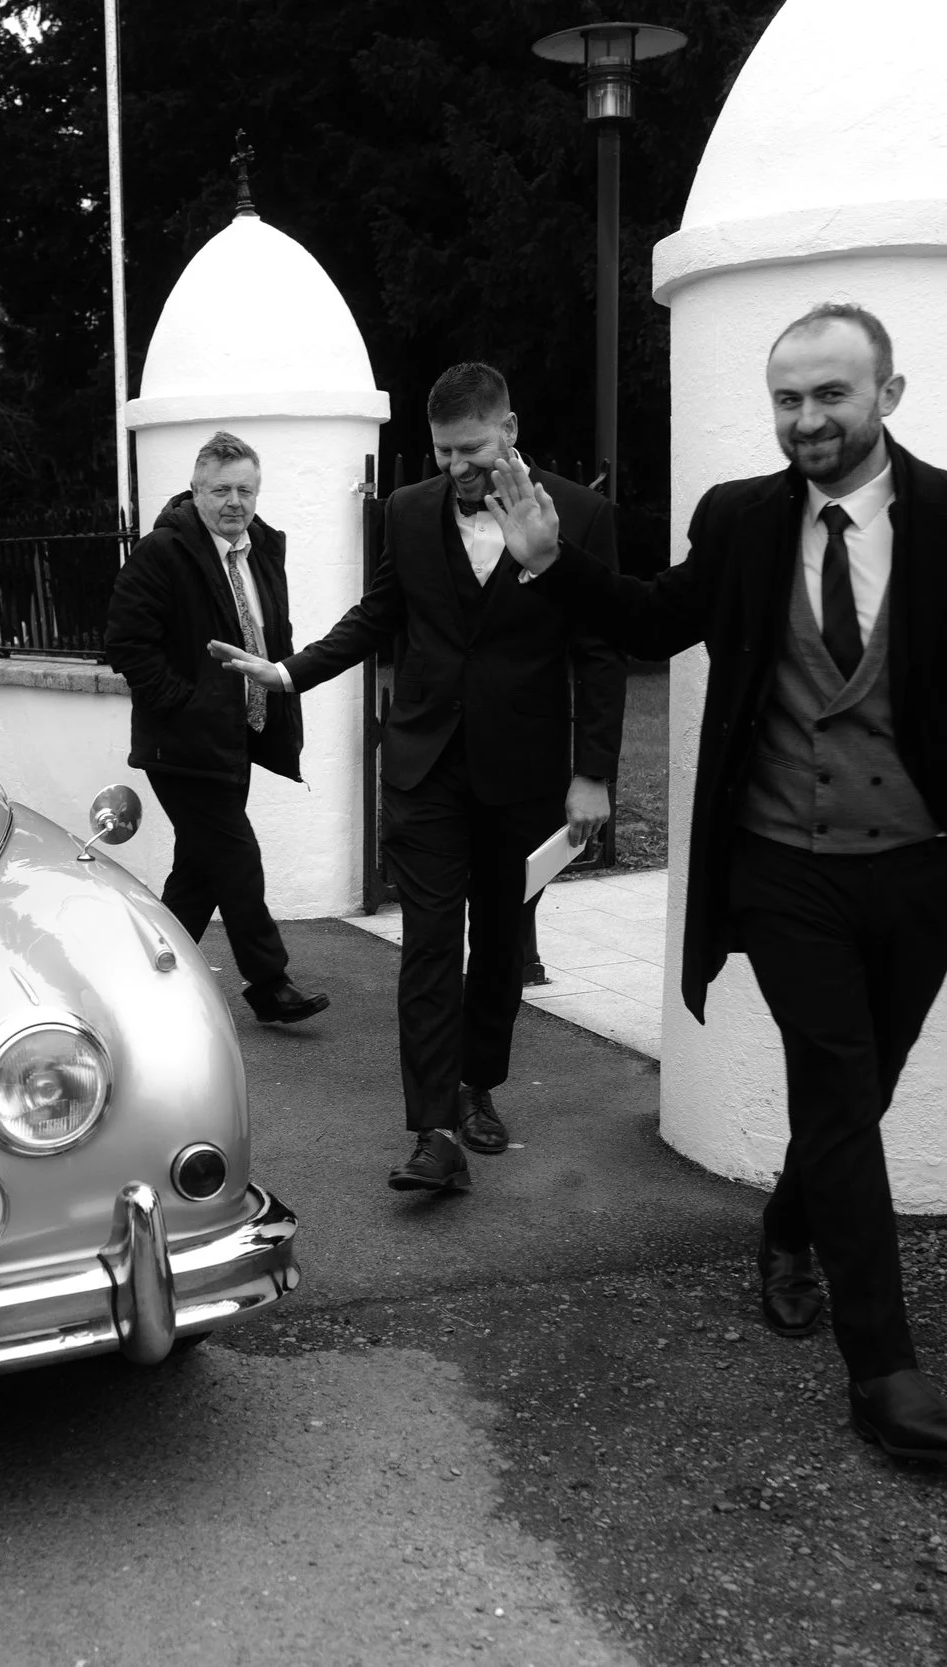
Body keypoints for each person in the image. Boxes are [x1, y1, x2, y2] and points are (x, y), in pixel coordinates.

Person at [487, 303, 947, 1462]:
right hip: (780, 867)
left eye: (830, 396)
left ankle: (789, 1225)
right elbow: (658, 619)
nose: (806, 420)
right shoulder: (742, 520)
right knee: (839, 1088)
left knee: (863, 1090)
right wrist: (553, 564)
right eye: (788, 399)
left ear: (887, 395)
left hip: (921, 868)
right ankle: (883, 1369)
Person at [209, 366, 624, 1191]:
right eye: (442, 453)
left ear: (509, 427)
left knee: (501, 943)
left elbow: (600, 650)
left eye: (470, 449)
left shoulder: (580, 514)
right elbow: (379, 615)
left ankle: (478, 1085)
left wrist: (593, 775)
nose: (457, 468)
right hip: (423, 766)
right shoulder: (407, 510)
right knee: (430, 943)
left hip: (523, 770)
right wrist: (287, 672)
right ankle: (435, 1129)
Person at [105, 431, 330, 1025]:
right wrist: (185, 703)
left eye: (246, 489)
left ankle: (143, 971)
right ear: (197, 491)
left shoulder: (262, 548)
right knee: (236, 857)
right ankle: (269, 983)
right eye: (222, 489)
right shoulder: (162, 552)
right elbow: (126, 643)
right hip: (179, 744)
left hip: (236, 738)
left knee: (200, 869)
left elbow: (270, 632)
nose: (235, 501)